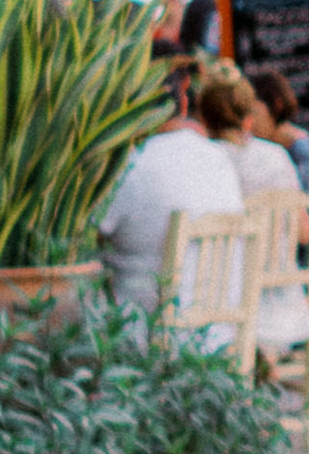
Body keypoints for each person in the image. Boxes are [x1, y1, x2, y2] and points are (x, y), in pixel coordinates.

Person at [99, 68, 244, 313]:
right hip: (220, 331)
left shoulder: (133, 164)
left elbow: (90, 234)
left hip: (147, 334)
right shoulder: (219, 159)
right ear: (185, 104)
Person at [194, 57, 309, 358]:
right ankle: (265, 362)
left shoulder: (206, 160)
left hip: (225, 315)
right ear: (248, 115)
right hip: (287, 311)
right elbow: (304, 234)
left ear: (203, 118)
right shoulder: (278, 157)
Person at [251, 68, 309, 189]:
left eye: (254, 112)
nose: (249, 122)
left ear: (277, 105)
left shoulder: (305, 154)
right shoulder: (283, 147)